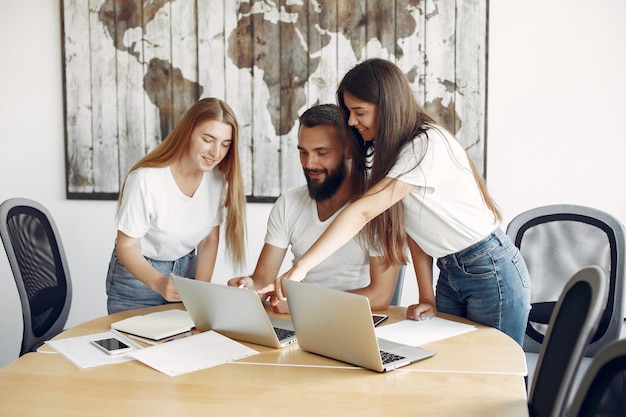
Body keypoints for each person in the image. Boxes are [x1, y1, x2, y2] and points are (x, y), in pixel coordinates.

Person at [264, 59, 531, 346]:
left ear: (387, 106)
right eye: (349, 112)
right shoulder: (394, 154)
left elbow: (363, 211)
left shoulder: (426, 144)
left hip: (489, 269)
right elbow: (416, 229)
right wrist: (426, 295)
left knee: (497, 376)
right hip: (451, 271)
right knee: (451, 371)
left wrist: (301, 267)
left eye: (359, 112)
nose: (352, 122)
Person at [229, 104, 400, 313]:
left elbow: (380, 296)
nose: (310, 163)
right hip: (302, 324)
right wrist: (248, 287)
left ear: (348, 151)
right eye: (303, 152)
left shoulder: (377, 204)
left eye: (321, 152)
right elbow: (262, 281)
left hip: (355, 321)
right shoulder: (288, 204)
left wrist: (303, 303)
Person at [106, 97, 246, 314]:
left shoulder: (217, 179)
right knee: (135, 347)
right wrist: (158, 282)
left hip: (186, 272)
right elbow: (126, 247)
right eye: (208, 139)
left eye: (225, 145)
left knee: (185, 345)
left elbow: (209, 238)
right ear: (188, 133)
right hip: (138, 279)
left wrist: (200, 293)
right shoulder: (146, 180)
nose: (216, 153)